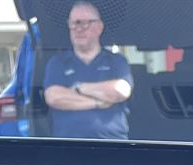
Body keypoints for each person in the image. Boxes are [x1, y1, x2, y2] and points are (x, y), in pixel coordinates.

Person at [42, 1, 134, 139]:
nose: (78, 29)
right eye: (74, 23)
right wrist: (98, 102)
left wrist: (80, 88)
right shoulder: (58, 62)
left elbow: (121, 91)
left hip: (112, 144)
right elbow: (54, 97)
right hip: (68, 146)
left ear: (99, 27)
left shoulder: (116, 61)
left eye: (84, 23)